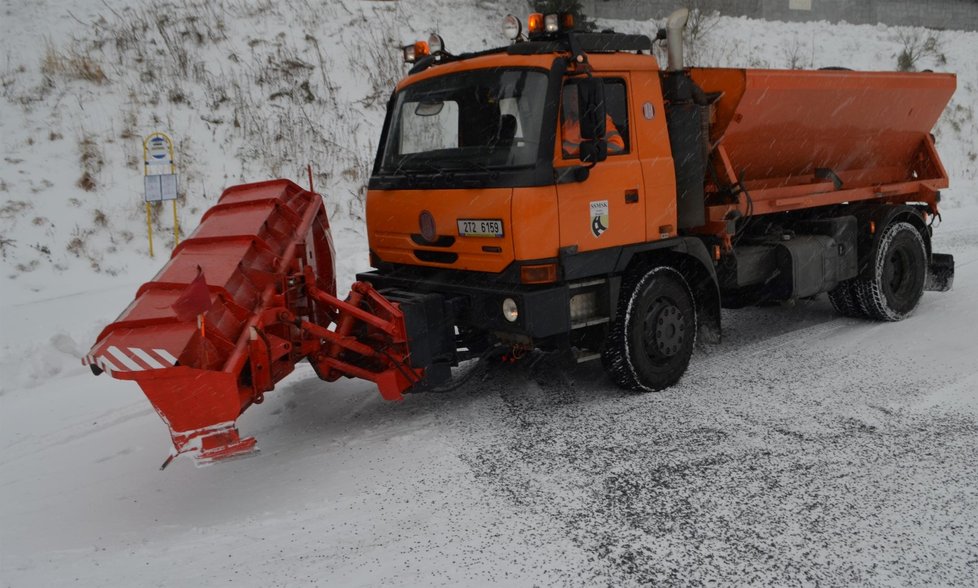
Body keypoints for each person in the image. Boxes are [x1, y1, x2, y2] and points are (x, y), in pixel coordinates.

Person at [561, 85, 625, 158]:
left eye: (574, 98)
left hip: (583, 164)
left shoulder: (600, 122)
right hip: (565, 163)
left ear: (584, 100)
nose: (571, 102)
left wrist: (591, 151)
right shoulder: (568, 121)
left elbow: (617, 145)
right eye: (569, 98)